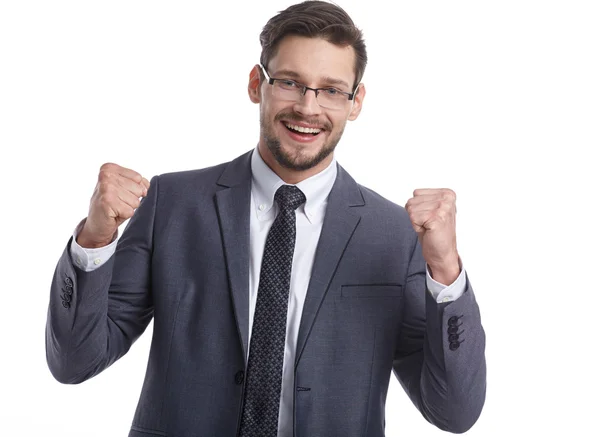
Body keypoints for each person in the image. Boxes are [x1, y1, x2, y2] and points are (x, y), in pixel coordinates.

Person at [45, 1, 486, 436]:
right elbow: (75, 361)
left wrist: (446, 271)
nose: (308, 108)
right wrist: (96, 238)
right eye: (291, 82)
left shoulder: (395, 234)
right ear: (257, 83)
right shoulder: (172, 204)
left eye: (331, 90)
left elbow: (454, 412)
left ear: (355, 103)